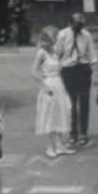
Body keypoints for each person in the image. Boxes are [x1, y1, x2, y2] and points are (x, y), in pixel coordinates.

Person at [31, 26, 74, 157]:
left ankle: (60, 145)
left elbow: (59, 72)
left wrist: (65, 90)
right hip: (48, 84)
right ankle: (51, 147)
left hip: (58, 84)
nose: (56, 39)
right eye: (54, 37)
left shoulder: (55, 53)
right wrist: (44, 86)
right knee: (50, 114)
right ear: (48, 38)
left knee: (61, 113)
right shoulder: (41, 53)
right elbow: (33, 72)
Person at [58, 13, 98, 147]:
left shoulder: (86, 35)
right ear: (70, 24)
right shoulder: (62, 35)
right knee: (71, 103)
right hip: (68, 69)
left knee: (84, 101)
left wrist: (96, 73)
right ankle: (73, 133)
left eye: (81, 25)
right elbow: (57, 54)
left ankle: (83, 133)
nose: (79, 28)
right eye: (77, 25)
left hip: (83, 69)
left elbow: (92, 54)